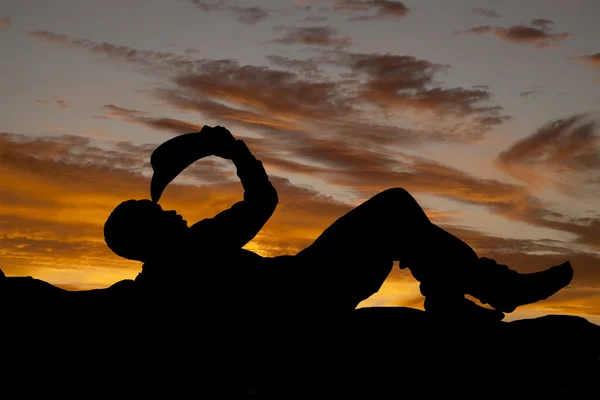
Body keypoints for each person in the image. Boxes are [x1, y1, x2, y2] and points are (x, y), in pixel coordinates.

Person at [103, 126, 573, 323]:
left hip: (304, 287)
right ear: (148, 237)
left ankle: (455, 298)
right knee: (393, 207)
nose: (173, 212)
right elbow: (263, 202)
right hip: (308, 290)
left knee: (393, 210)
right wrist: (236, 153)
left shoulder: (161, 277)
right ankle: (490, 290)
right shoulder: (195, 248)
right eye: (161, 215)